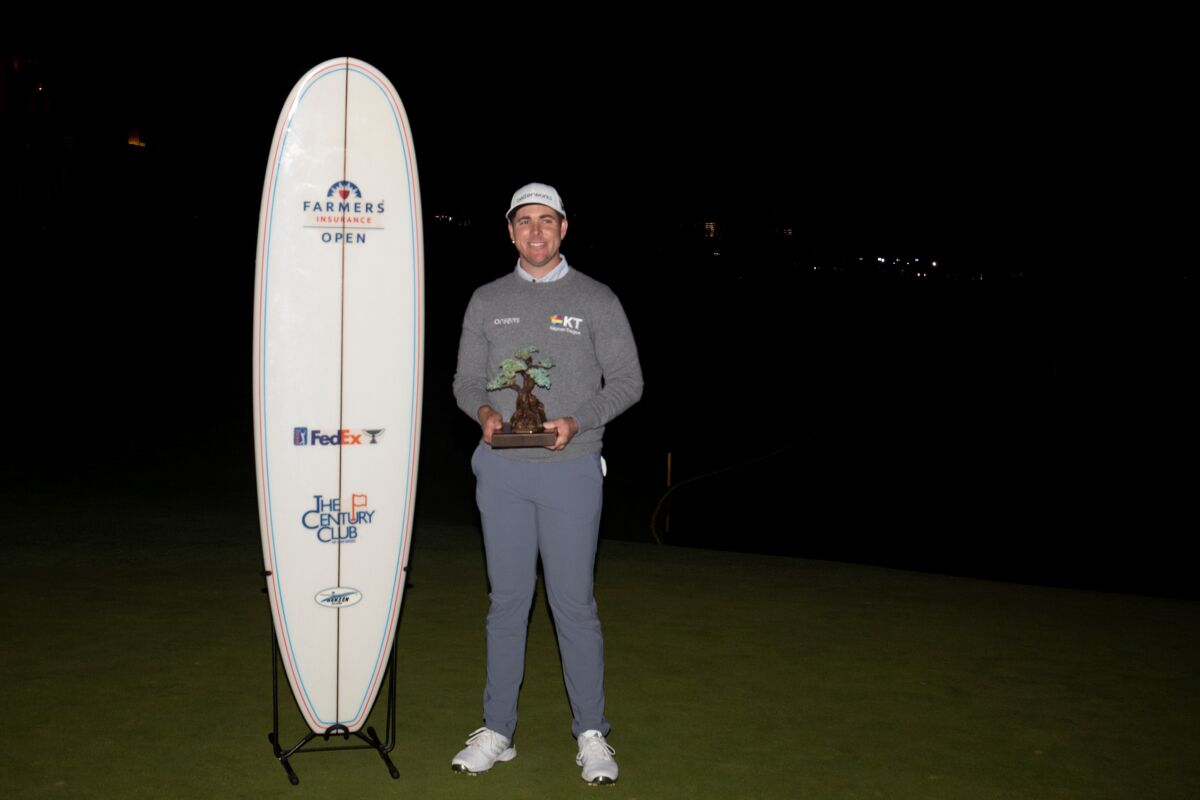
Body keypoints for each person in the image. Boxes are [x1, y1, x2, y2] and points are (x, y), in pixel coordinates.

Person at [450, 182, 643, 785]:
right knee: (506, 604)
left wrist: (576, 420)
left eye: (547, 221)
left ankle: (591, 734)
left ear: (564, 229)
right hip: (502, 472)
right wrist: (483, 414)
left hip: (571, 470)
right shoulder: (486, 300)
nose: (536, 231)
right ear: (510, 231)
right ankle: (498, 731)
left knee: (573, 607)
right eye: (524, 221)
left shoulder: (597, 298)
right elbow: (465, 382)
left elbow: (629, 382)